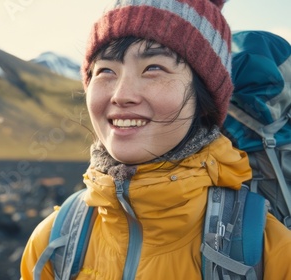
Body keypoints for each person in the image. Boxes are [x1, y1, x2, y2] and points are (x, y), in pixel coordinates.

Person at [20, 0, 291, 279]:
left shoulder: (272, 252)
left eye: (153, 68)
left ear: (204, 100)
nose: (121, 94)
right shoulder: (54, 241)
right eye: (105, 70)